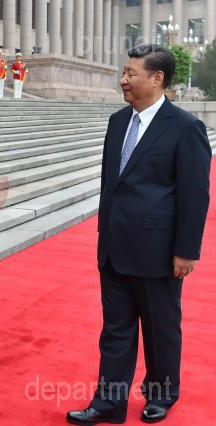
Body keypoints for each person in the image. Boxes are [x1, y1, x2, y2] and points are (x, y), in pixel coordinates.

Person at [66, 44, 211, 425]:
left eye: (131, 73)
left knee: (160, 331)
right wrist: (104, 235)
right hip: (114, 250)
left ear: (157, 78)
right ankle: (108, 403)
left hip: (158, 253)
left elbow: (195, 195)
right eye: (124, 72)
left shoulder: (185, 127)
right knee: (115, 331)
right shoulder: (118, 122)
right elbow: (110, 185)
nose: (123, 80)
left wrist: (186, 251)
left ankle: (161, 395)